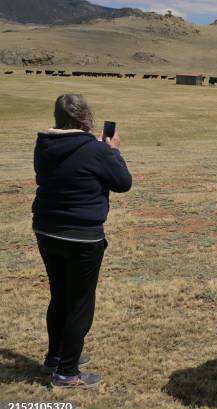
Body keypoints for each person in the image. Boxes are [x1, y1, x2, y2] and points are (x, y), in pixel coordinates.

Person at [33, 94, 132, 388]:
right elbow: (123, 182)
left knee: (60, 295)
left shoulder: (45, 144)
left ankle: (55, 357)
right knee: (80, 302)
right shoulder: (95, 150)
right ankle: (67, 372)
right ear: (85, 116)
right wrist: (113, 151)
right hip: (82, 235)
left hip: (46, 229)